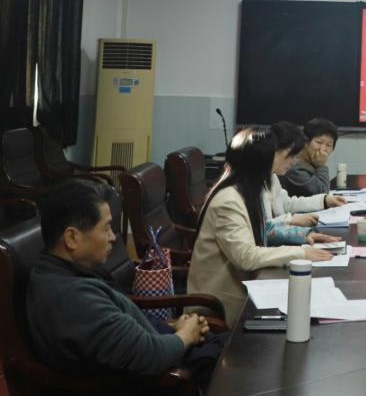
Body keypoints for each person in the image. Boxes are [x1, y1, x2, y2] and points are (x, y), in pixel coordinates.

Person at [26, 179, 219, 381]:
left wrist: (171, 329)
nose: (113, 237)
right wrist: (186, 335)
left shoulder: (62, 271)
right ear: (72, 238)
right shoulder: (73, 300)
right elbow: (152, 356)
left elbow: (121, 330)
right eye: (106, 228)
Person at [187, 128, 339, 326]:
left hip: (248, 286)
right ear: (259, 162)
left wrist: (302, 236)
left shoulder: (248, 191)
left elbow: (262, 229)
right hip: (222, 303)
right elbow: (246, 257)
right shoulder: (228, 201)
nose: (290, 162)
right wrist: (300, 253)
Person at [264, 121, 346, 236]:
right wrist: (290, 220)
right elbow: (264, 228)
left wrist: (324, 200)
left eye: (328, 145)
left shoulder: (271, 175)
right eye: (291, 155)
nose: (294, 161)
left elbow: (287, 203)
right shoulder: (255, 178)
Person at [280, 118, 338, 197]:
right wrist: (322, 165)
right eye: (319, 142)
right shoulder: (294, 166)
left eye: (328, 145)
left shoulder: (313, 162)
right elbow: (322, 193)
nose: (323, 149)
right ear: (306, 142)